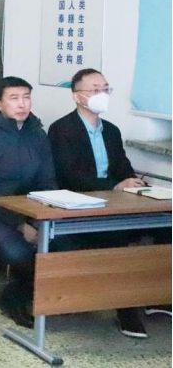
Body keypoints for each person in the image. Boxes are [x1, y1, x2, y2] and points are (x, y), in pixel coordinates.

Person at [48, 68, 150, 338]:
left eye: (105, 89)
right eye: (95, 90)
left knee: (164, 230)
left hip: (115, 202)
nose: (102, 94)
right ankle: (125, 308)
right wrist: (113, 186)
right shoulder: (62, 129)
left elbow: (123, 167)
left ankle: (155, 294)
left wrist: (133, 181)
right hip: (81, 205)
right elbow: (69, 175)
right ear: (77, 96)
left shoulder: (111, 131)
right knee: (115, 239)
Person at [0, 77, 57, 329]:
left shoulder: (37, 134)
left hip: (31, 212)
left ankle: (52, 297)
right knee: (20, 252)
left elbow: (48, 182)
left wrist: (39, 221)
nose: (22, 104)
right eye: (14, 98)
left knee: (63, 243)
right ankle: (13, 297)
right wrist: (19, 224)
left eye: (26, 97)